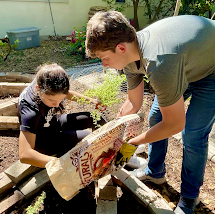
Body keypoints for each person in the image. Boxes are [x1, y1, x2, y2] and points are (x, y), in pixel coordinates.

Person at [85, 11, 215, 214]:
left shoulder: (159, 62)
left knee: (193, 134)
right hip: (185, 60)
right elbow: (134, 102)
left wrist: (132, 143)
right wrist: (113, 131)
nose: (103, 64)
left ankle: (189, 197)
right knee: (156, 117)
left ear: (120, 48)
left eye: (104, 58)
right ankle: (155, 171)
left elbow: (175, 124)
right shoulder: (130, 56)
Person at [18, 63, 146, 169]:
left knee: (96, 118)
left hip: (51, 122)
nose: (57, 105)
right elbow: (24, 154)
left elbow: (66, 94)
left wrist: (90, 101)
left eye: (60, 100)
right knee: (88, 140)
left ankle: (117, 149)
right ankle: (115, 158)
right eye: (52, 101)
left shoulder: (46, 79)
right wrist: (61, 164)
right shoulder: (30, 111)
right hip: (43, 138)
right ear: (38, 89)